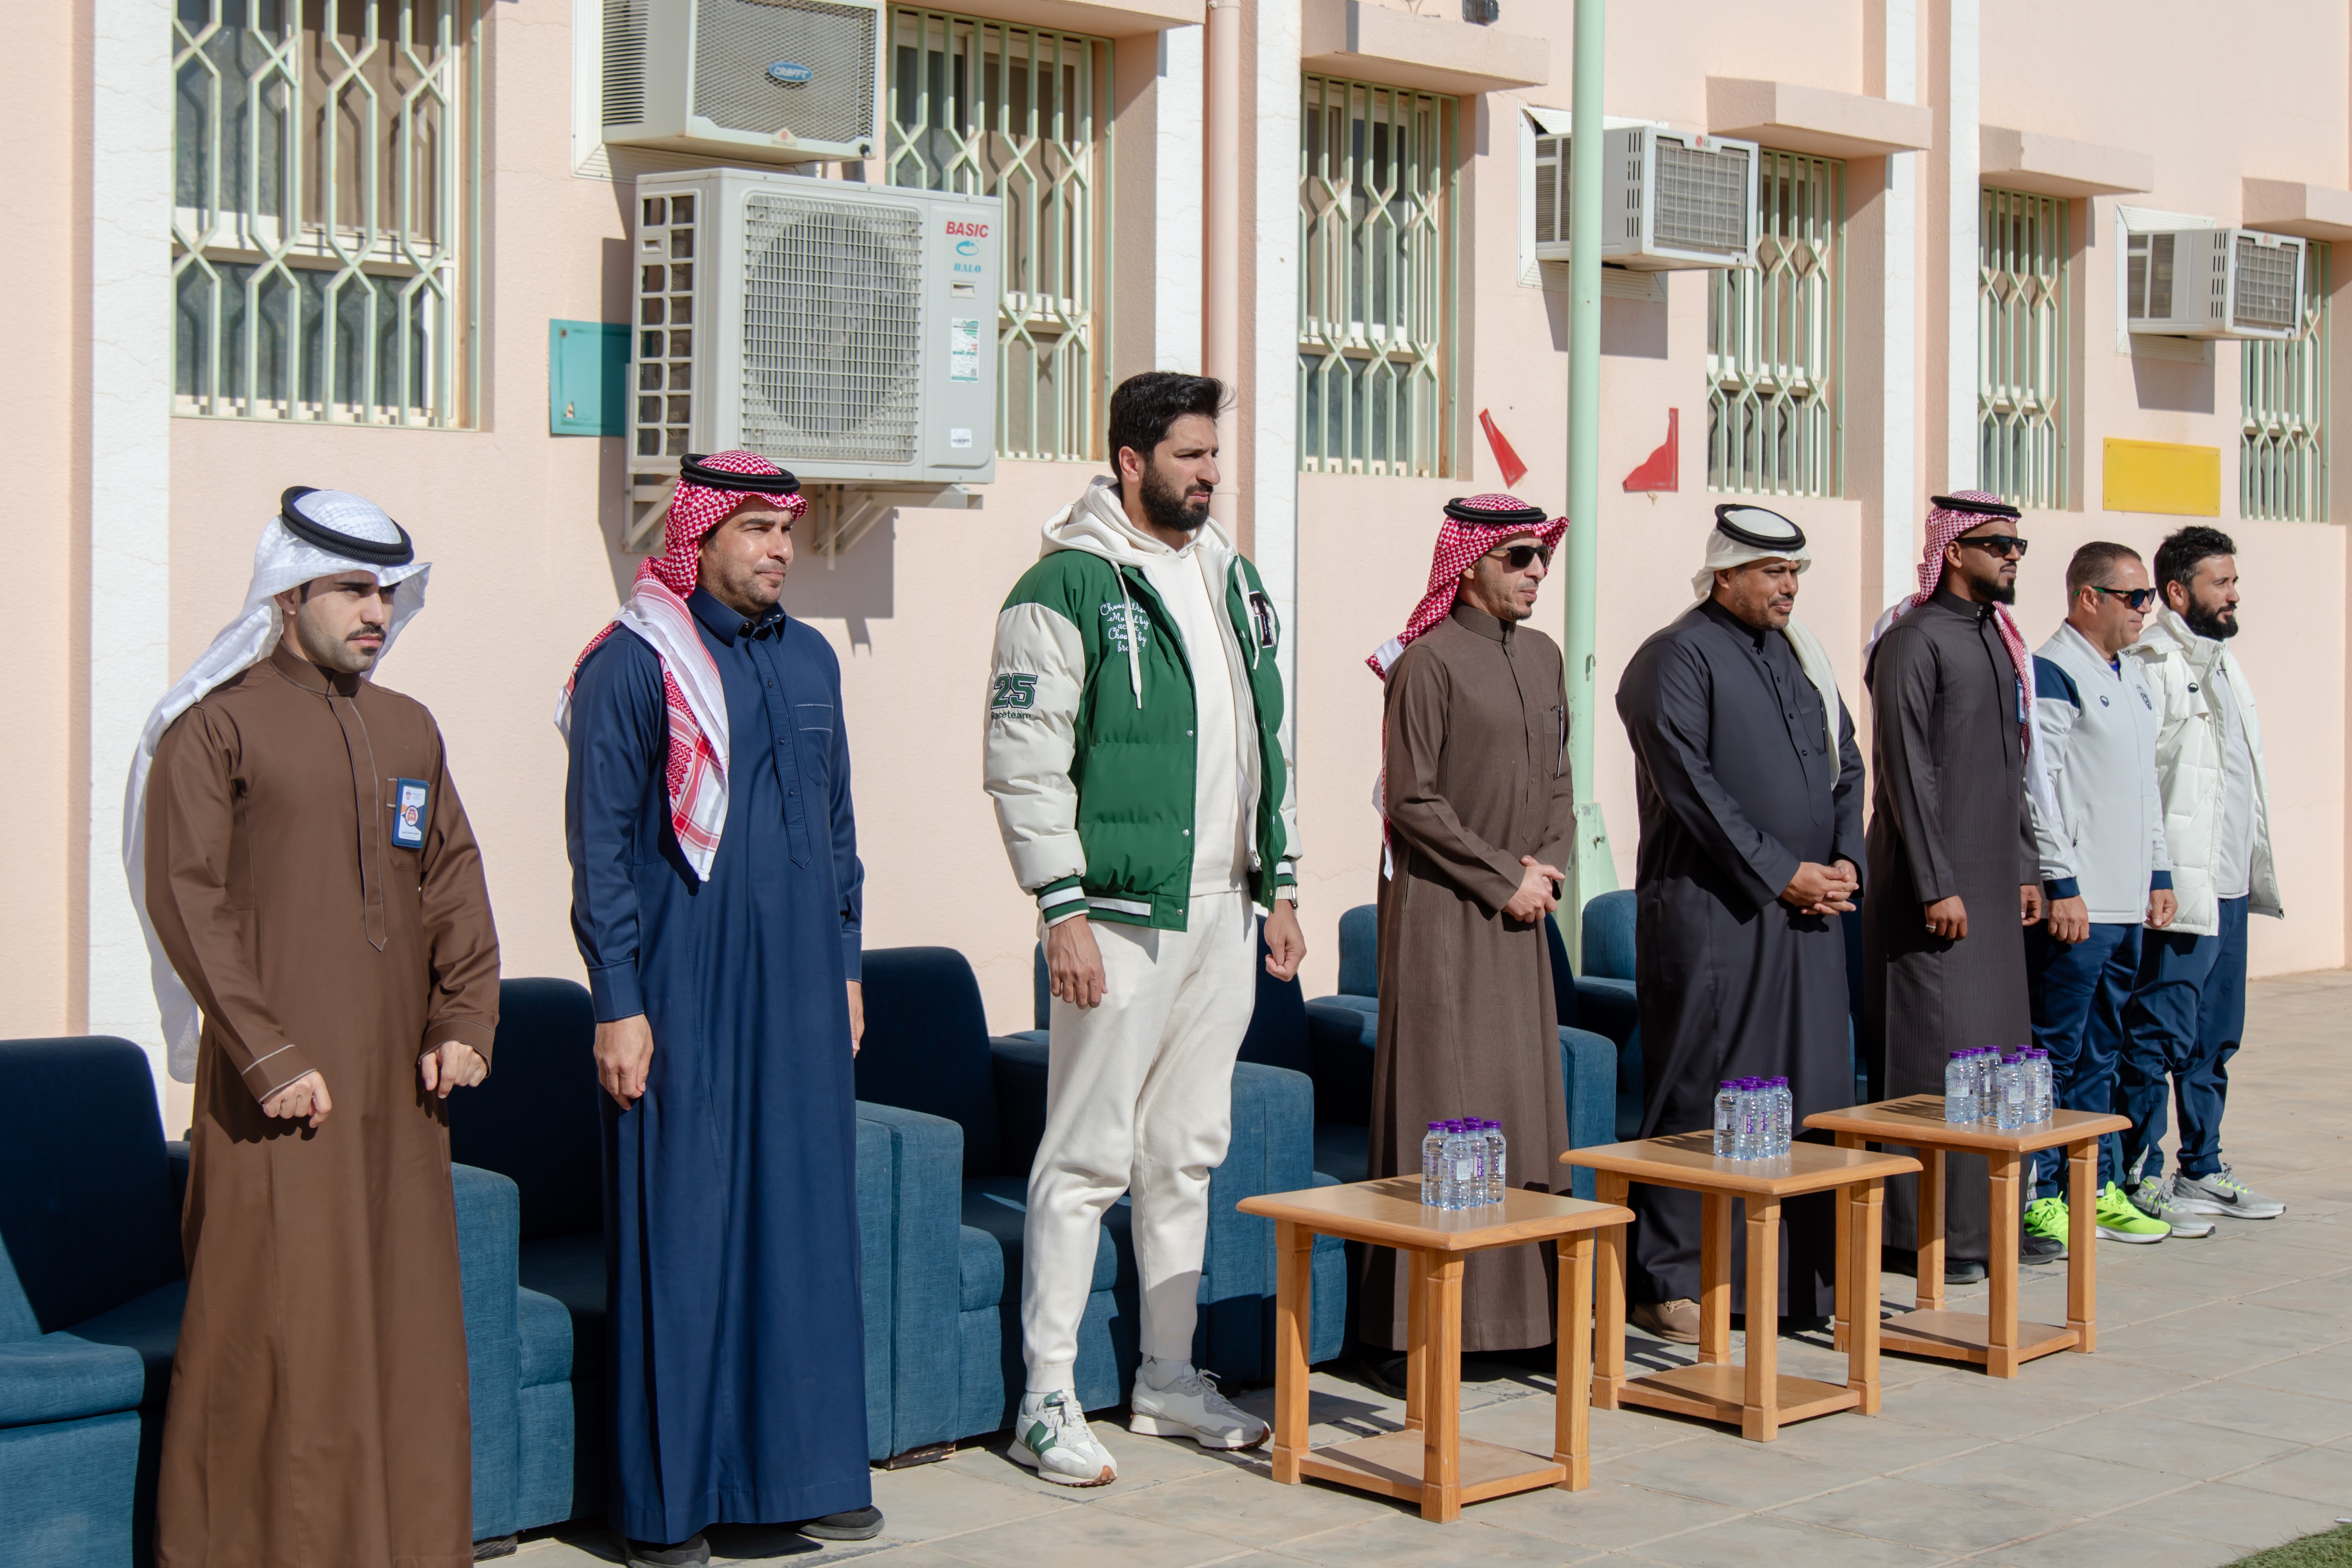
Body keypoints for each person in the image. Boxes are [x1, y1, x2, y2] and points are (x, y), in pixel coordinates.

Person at [129, 486, 500, 1568]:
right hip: (277, 1097)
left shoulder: (408, 727)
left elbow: (451, 881)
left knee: (403, 1329)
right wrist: (270, 1052)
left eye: (384, 589)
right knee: (278, 1333)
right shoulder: (217, 724)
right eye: (350, 588)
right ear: (287, 595)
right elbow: (187, 898)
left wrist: (466, 1012)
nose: (374, 610)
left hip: (401, 1095)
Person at [983, 372, 1303, 1486]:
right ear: (1130, 459)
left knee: (1186, 1152)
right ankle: (1048, 1397)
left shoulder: (1233, 578)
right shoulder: (1062, 585)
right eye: (1189, 456)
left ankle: (1166, 1375)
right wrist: (1057, 904)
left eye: (1215, 455)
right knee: (1084, 1156)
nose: (1210, 473)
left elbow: (1269, 733)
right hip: (1115, 914)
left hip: (1223, 907)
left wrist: (1283, 881)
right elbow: (1023, 763)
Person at [560, 452, 880, 1566]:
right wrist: (618, 1000)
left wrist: (845, 964)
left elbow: (838, 829)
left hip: (799, 990)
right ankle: (668, 1507)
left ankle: (800, 1475)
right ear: (695, 536)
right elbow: (599, 849)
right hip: (680, 993)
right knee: (682, 1232)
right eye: (752, 529)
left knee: (799, 1226)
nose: (777, 550)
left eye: (785, 530)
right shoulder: (637, 663)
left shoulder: (810, 659)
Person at [1614, 505, 1866, 1342]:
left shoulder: (1805, 657)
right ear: (1725, 574)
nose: (1789, 588)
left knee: (1811, 1088)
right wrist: (1779, 871)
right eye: (1771, 573)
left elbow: (1848, 762)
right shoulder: (1674, 657)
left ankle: (1795, 1278)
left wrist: (1844, 861)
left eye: (1795, 573)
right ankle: (1670, 1277)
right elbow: (1691, 788)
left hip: (1811, 914)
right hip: (1717, 915)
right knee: (1706, 1089)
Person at [1359, 493, 1577, 1355]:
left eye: (1541, 560)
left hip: (1523, 912)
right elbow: (1412, 800)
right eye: (1518, 557)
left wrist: (1544, 867)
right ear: (1470, 562)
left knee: (1520, 1105)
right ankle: (1422, 1330)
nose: (1533, 574)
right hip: (1444, 916)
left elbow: (1558, 777)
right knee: (1444, 1101)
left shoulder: (1545, 655)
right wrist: (1501, 876)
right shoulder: (1428, 663)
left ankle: (1518, 1320)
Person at [1862, 491, 2050, 1284]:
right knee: (1939, 1055)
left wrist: (2026, 865)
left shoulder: (1996, 640)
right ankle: (1925, 1235)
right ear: (1954, 550)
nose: (2011, 556)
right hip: (1931, 891)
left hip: (1991, 882)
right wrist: (1939, 884)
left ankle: (1987, 1224)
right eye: (1997, 544)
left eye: (2017, 544)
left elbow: (2012, 768)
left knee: (1998, 1057)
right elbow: (1906, 771)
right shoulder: (1914, 640)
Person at [2117, 527, 2287, 1225]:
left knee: (2215, 1037)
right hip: (2181, 887)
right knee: (2158, 1032)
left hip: (2229, 884)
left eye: (2235, 580)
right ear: (2179, 591)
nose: (2235, 593)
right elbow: (2139, 783)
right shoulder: (2150, 662)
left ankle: (2203, 1166)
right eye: (2222, 582)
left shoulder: (2226, 663)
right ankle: (2137, 1172)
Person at [2019, 542, 2186, 1251]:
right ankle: (2042, 1191)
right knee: (2057, 1049)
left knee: (2106, 1048)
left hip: (2127, 901)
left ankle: (2095, 1184)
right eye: (2134, 597)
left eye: (2147, 596)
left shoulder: (2133, 677)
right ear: (2089, 597)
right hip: (2081, 902)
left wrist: (2160, 871)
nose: (2145, 609)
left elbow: (2145, 788)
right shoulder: (2053, 668)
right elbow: (2042, 786)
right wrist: (2063, 882)